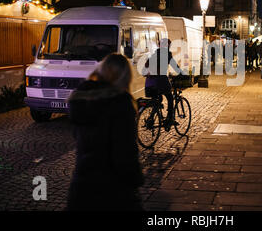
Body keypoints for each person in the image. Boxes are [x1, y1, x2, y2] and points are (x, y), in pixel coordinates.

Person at [66, 53, 144, 211]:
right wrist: (135, 178)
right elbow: (124, 152)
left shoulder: (81, 100)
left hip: (81, 187)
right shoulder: (120, 104)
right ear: (124, 77)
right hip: (112, 191)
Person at [144, 38, 182, 128]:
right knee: (169, 97)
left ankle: (151, 118)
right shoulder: (167, 54)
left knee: (158, 100)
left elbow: (146, 65)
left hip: (149, 83)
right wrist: (181, 73)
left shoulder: (154, 54)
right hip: (160, 81)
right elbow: (174, 66)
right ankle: (169, 119)